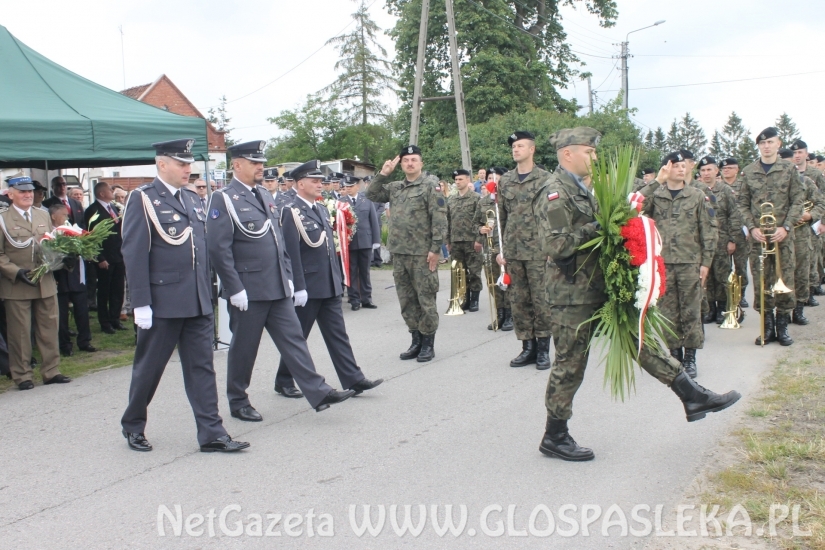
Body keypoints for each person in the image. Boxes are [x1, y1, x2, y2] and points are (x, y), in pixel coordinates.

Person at [533, 127, 741, 462]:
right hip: (571, 293)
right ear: (568, 153)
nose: (595, 158)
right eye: (590, 151)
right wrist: (602, 226)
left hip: (598, 286)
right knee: (571, 364)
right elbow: (557, 245)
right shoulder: (554, 192)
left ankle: (691, 394)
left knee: (640, 341)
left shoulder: (583, 190)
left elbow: (615, 214)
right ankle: (555, 435)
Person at [120, 138, 248, 453]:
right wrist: (141, 303)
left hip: (197, 300)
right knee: (149, 368)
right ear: (162, 164)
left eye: (189, 164)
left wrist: (219, 289)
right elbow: (134, 254)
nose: (187, 170)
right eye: (181, 163)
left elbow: (203, 251)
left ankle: (212, 433)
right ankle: (133, 425)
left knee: (202, 368)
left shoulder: (192, 199)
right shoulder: (143, 199)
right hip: (163, 302)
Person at [207, 146, 354, 418]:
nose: (261, 167)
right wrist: (234, 287)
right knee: (244, 348)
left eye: (261, 162)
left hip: (276, 286)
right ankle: (238, 400)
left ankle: (318, 390)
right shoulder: (224, 198)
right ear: (237, 165)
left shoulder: (264, 194)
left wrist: (288, 276)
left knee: (294, 339)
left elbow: (278, 241)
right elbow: (218, 248)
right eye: (254, 162)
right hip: (248, 290)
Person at [278, 163, 383, 395]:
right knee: (298, 337)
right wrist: (298, 286)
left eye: (320, 181)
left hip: (329, 282)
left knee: (338, 334)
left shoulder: (321, 209)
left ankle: (353, 378)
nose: (320, 185)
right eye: (315, 181)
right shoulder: (290, 211)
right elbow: (290, 252)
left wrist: (337, 278)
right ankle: (284, 380)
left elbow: (328, 248)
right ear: (300, 183)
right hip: (309, 286)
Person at [366, 146, 448, 362]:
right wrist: (384, 173)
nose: (410, 163)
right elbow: (371, 194)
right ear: (401, 165)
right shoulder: (395, 187)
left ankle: (428, 343)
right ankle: (416, 340)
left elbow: (439, 220)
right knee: (406, 300)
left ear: (421, 163)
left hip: (422, 254)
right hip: (400, 254)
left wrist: (435, 249)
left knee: (425, 299)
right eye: (406, 160)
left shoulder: (432, 187)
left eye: (414, 160)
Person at [644, 152, 716, 378]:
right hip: (663, 263)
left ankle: (691, 357)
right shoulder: (656, 195)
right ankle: (674, 355)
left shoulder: (697, 195)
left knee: (691, 310)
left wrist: (706, 262)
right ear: (666, 168)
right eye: (675, 166)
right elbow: (635, 208)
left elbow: (709, 230)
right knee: (668, 311)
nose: (681, 169)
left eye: (684, 166)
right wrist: (658, 181)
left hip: (689, 262)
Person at [736, 127, 805, 346]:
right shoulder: (749, 170)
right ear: (758, 146)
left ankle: (782, 326)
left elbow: (797, 201)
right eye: (762, 143)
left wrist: (786, 227)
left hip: (782, 237)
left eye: (770, 142)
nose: (766, 146)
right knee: (761, 281)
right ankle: (766, 327)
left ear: (778, 144)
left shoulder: (789, 169)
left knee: (784, 278)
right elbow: (742, 204)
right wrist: (751, 227)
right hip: (759, 238)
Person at [0, 176, 70, 390]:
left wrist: (64, 257)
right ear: (10, 194)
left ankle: (51, 371)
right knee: (20, 333)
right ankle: (22, 375)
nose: (28, 194)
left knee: (49, 327)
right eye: (22, 191)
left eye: (30, 191)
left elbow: (50, 244)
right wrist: (15, 271)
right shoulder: (3, 218)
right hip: (18, 283)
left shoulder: (42, 214)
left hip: (45, 281)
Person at [496, 131, 552, 370]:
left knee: (542, 301)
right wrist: (501, 249)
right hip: (514, 251)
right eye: (513, 146)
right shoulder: (505, 181)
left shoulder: (547, 179)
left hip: (539, 252)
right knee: (518, 301)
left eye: (520, 146)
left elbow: (554, 215)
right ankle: (526, 347)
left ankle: (542, 350)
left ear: (532, 149)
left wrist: (553, 247)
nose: (515, 149)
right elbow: (502, 218)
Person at [779, 147, 825, 325]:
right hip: (780, 235)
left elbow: (821, 202)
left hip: (801, 234)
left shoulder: (805, 181)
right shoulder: (772, 186)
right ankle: (780, 314)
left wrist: (810, 215)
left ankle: (798, 310)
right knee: (782, 273)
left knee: (801, 272)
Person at [697, 156, 739, 324]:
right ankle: (710, 309)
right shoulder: (697, 190)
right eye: (703, 170)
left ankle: (723, 307)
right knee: (707, 276)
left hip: (721, 240)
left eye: (709, 169)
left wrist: (732, 239)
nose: (706, 173)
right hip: (703, 241)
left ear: (716, 171)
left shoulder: (726, 190)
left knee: (722, 275)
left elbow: (734, 216)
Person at [51, 204, 95, 356]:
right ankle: (65, 345)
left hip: (76, 276)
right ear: (54, 216)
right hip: (60, 278)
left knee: (82, 310)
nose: (67, 218)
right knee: (62, 314)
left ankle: (84, 341)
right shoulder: (50, 232)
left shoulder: (72, 229)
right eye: (64, 215)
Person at [85, 182, 126, 334]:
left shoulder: (113, 208)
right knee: (104, 291)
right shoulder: (93, 210)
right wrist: (99, 257)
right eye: (110, 190)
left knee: (117, 289)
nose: (112, 192)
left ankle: (115, 319)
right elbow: (92, 236)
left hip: (118, 255)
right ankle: (105, 322)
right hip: (105, 257)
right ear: (102, 193)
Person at [475, 167, 513, 331]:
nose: (493, 181)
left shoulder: (510, 199)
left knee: (508, 282)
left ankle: (511, 314)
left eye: (497, 178)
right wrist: (480, 229)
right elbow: (475, 222)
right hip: (490, 249)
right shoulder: (483, 202)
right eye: (490, 178)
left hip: (507, 248)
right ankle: (501, 314)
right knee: (493, 283)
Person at [790, 139, 825, 302]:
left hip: (811, 223)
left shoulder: (815, 174)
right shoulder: (786, 174)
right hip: (790, 227)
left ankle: (809, 291)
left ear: (806, 153)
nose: (797, 156)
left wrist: (821, 221)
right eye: (794, 153)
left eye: (800, 152)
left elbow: (822, 198)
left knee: (810, 258)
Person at [341, 175, 380, 310]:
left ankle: (366, 298)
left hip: (365, 240)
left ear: (357, 186)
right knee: (351, 271)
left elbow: (373, 221)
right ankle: (354, 299)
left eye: (351, 186)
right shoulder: (341, 202)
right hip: (349, 242)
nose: (349, 189)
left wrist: (375, 240)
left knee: (365, 271)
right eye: (347, 186)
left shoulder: (366, 200)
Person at [447, 169, 482, 312]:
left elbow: (481, 221)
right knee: (459, 272)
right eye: (456, 180)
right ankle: (464, 298)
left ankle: (474, 300)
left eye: (460, 179)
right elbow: (448, 221)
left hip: (471, 240)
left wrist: (479, 240)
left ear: (468, 180)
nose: (457, 182)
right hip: (456, 241)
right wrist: (448, 241)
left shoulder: (476, 198)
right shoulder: (451, 199)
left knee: (474, 271)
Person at [719, 157, 751, 308]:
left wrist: (749, 227)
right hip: (723, 234)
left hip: (742, 233)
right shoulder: (717, 187)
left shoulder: (744, 185)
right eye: (724, 168)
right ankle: (726, 297)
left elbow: (750, 206)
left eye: (730, 168)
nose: (726, 170)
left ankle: (741, 295)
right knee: (724, 267)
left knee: (741, 267)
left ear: (737, 169)